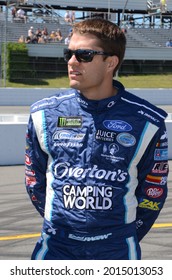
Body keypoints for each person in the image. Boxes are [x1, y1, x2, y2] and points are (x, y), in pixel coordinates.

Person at [25, 18, 169, 260]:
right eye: (68, 53)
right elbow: (33, 182)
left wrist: (123, 236)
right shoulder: (44, 114)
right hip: (56, 246)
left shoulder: (147, 121)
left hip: (117, 249)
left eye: (84, 55)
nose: (72, 62)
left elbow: (153, 190)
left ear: (111, 62)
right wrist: (64, 229)